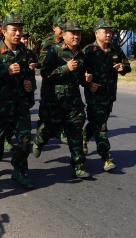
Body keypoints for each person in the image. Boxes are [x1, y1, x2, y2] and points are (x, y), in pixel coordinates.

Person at [33, 20, 91, 179]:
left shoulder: (81, 54)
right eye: (73, 33)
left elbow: (80, 78)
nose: (76, 36)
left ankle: (78, 166)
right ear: (64, 35)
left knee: (76, 132)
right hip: (55, 100)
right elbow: (45, 72)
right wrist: (65, 68)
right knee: (50, 128)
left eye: (78, 33)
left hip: (73, 101)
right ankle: (39, 140)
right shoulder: (54, 51)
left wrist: (86, 79)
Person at [0, 14, 34, 188]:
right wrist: (6, 72)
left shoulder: (25, 52)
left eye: (20, 30)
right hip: (0, 106)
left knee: (25, 139)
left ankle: (18, 169)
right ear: (4, 31)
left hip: (20, 104)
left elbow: (28, 75)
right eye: (14, 30)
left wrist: (29, 85)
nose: (18, 33)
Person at [82, 18, 131, 172]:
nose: (109, 34)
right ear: (97, 33)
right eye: (106, 31)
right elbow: (79, 73)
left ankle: (84, 136)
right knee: (101, 126)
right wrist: (87, 83)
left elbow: (127, 66)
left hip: (109, 94)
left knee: (98, 121)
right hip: (94, 94)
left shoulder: (115, 49)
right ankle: (105, 157)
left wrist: (122, 67)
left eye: (110, 31)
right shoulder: (88, 51)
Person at [37, 17, 68, 145]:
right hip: (50, 81)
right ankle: (40, 130)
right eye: (60, 27)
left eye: (64, 27)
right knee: (46, 108)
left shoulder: (68, 41)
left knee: (63, 107)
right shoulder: (48, 42)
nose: (62, 30)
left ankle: (60, 131)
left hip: (64, 81)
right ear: (54, 28)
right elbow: (42, 62)